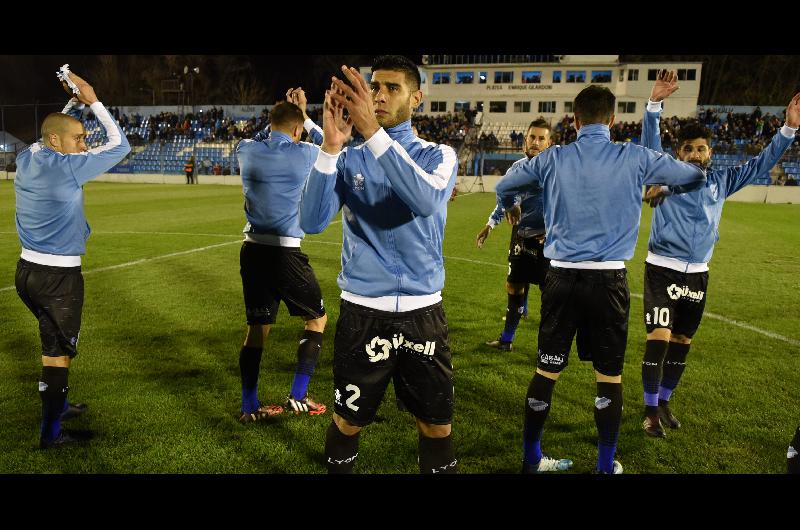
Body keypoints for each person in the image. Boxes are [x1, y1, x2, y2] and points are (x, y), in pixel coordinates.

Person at [495, 84, 706, 474]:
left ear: (574, 122)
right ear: (612, 121)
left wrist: (509, 204)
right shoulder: (634, 156)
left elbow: (504, 185)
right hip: (608, 282)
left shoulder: (552, 158)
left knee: (546, 369)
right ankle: (606, 466)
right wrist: (664, 183)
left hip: (560, 279)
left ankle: (531, 459)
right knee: (608, 376)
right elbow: (693, 175)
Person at [300, 55, 458, 474]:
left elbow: (425, 201)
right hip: (362, 314)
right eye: (375, 87)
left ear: (417, 98)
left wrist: (370, 133)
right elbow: (311, 222)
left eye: (392, 88)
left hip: (422, 315)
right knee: (347, 421)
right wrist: (331, 147)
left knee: (436, 426)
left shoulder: (438, 155)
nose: (380, 95)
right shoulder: (349, 157)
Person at [638, 70, 800, 437]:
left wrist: (788, 129)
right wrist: (653, 105)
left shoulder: (721, 181)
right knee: (659, 338)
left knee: (682, 341)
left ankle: (664, 401)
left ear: (711, 152)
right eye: (689, 148)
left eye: (701, 148)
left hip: (698, 272)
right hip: (662, 269)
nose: (695, 154)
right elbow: (650, 148)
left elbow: (759, 165)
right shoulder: (668, 176)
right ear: (679, 153)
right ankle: (648, 411)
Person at [14, 69, 130, 448]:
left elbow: (53, 129)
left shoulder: (28, 156)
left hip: (26, 273)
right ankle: (51, 434)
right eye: (79, 140)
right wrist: (93, 99)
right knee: (58, 354)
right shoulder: (67, 168)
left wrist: (71, 105)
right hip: (58, 278)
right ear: (57, 142)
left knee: (53, 344)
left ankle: (57, 407)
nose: (84, 146)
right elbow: (119, 145)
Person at [234, 101, 337, 423]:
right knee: (316, 319)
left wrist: (286, 120)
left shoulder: (245, 149)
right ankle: (299, 394)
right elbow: (331, 143)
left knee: (256, 330)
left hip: (252, 250)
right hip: (285, 251)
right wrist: (306, 117)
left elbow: (269, 135)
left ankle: (249, 407)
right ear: (297, 130)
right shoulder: (304, 153)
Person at [477, 119, 552, 352]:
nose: (535, 142)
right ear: (524, 141)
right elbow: (504, 200)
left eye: (541, 138)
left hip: (548, 241)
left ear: (549, 144)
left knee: (550, 296)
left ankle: (547, 351)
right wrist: (490, 225)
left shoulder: (555, 171)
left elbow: (570, 205)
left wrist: (554, 231)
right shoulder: (516, 169)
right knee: (514, 286)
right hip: (520, 236)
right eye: (532, 137)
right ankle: (507, 340)